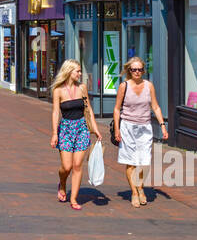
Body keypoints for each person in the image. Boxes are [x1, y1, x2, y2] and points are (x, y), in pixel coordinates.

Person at [113, 56, 167, 208]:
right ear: (129, 71)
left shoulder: (149, 85)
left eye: (140, 69)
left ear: (143, 70)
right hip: (128, 126)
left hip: (145, 127)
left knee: (143, 162)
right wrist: (117, 129)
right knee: (131, 162)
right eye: (134, 69)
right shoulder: (124, 86)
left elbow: (155, 107)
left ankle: (141, 187)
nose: (137, 72)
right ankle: (135, 192)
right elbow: (117, 109)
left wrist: (162, 125)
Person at [50, 60, 104, 210]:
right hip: (66, 129)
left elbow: (88, 110)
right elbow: (55, 112)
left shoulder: (82, 88)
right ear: (68, 71)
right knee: (66, 167)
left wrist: (95, 129)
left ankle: (74, 199)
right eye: (77, 71)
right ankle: (62, 184)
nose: (80, 74)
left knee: (77, 165)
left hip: (81, 128)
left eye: (80, 71)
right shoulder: (58, 90)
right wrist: (55, 134)